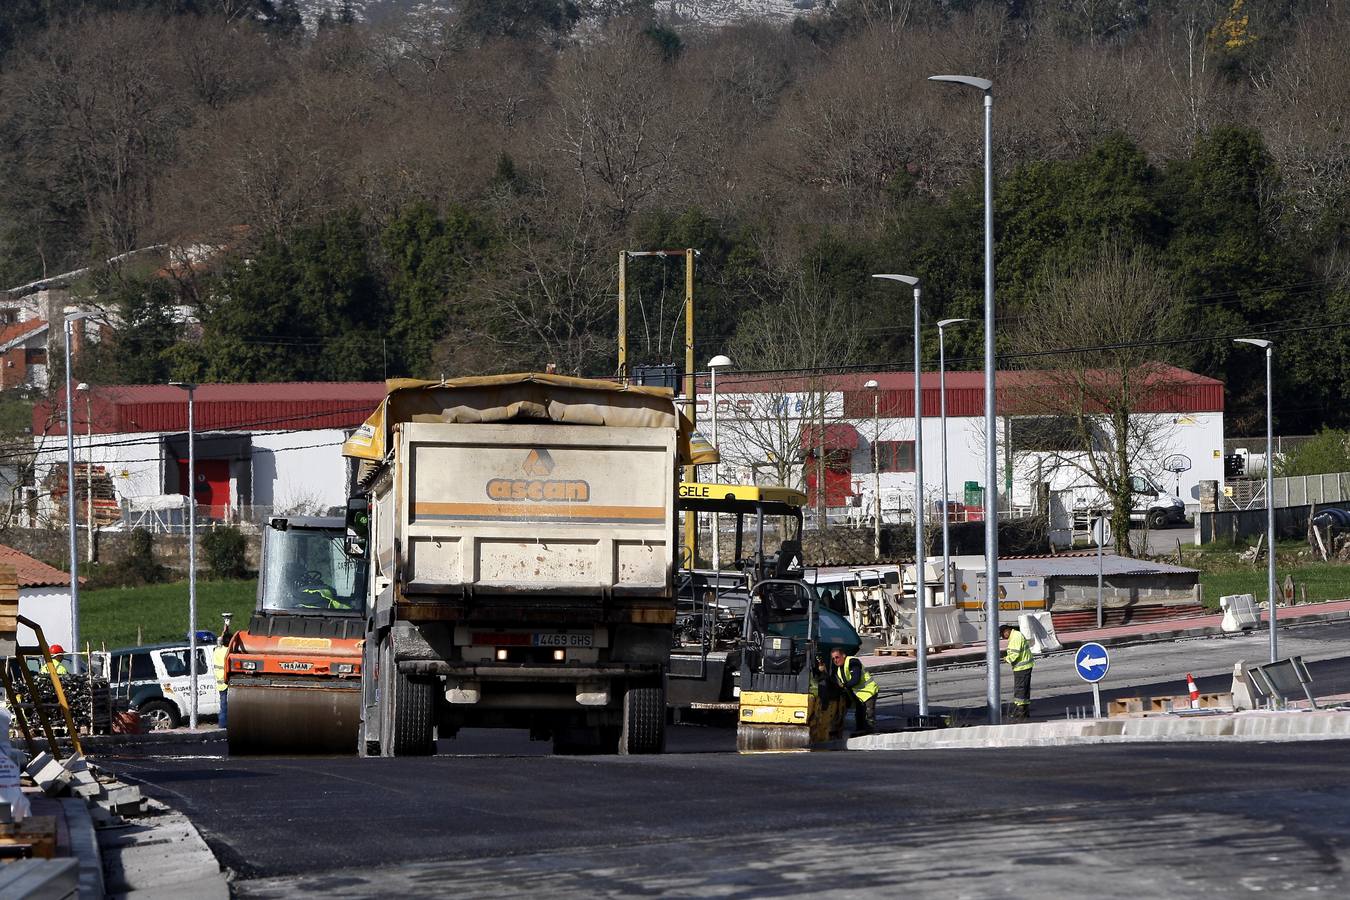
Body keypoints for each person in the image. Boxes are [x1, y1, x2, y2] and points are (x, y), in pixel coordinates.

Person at [830, 647, 878, 736]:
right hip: (859, 695)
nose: (835, 660)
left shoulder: (852, 662)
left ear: (843, 655)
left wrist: (844, 686)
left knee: (868, 715)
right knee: (859, 714)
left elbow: (855, 679)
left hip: (869, 691)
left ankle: (871, 733)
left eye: (837, 657)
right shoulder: (839, 670)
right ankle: (860, 732)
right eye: (833, 659)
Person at [1000, 623, 1035, 719]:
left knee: (1020, 689)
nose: (1003, 637)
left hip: (1022, 667)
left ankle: (1020, 711)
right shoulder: (1016, 635)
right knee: (1024, 689)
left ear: (1007, 631)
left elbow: (1014, 655)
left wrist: (1006, 659)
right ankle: (1025, 711)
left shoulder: (1015, 637)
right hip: (1025, 666)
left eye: (1003, 635)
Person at [213, 632, 230, 729]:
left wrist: (225, 627)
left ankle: (222, 725)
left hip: (220, 681)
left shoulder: (216, 651)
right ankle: (224, 725)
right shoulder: (228, 652)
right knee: (227, 707)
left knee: (223, 705)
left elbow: (220, 641)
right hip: (227, 681)